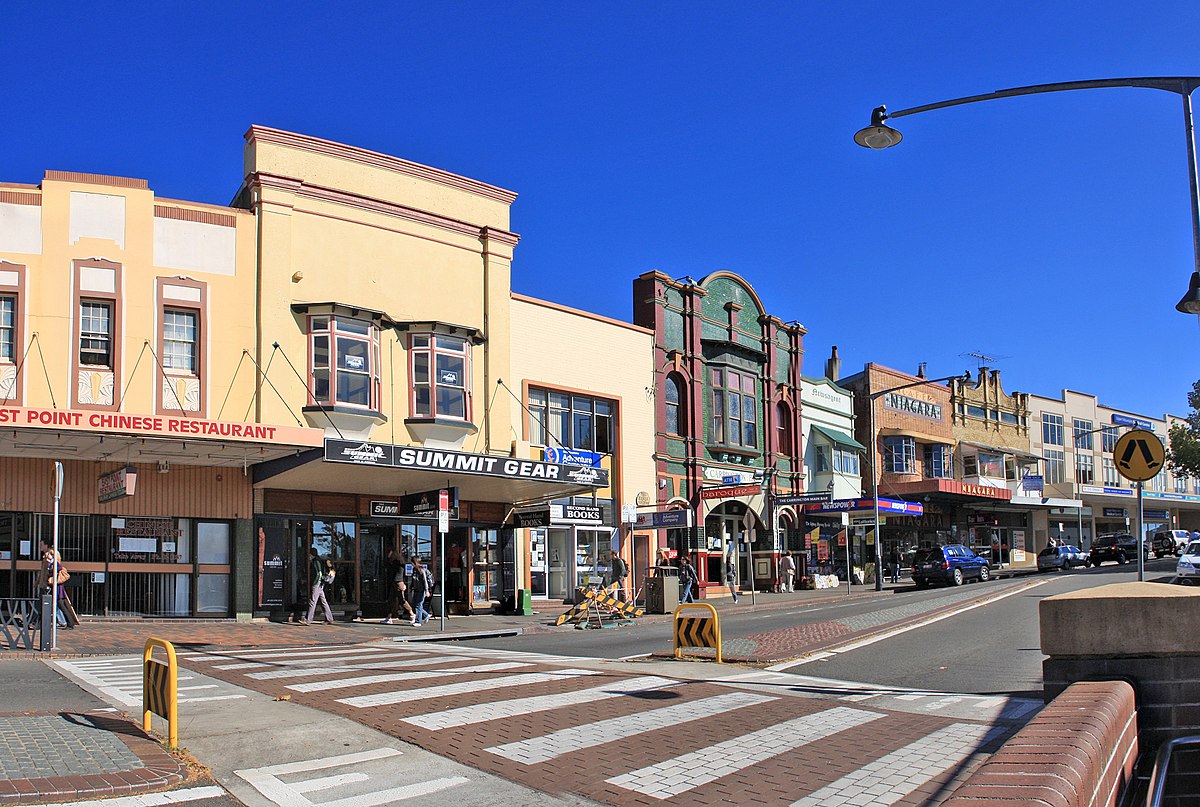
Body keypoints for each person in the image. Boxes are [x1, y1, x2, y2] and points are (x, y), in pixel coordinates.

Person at [40, 539, 80, 628]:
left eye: (49, 555)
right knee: (59, 605)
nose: (47, 557)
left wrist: (50, 573)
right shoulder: (51, 563)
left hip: (57, 587)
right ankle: (68, 622)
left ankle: (69, 623)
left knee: (61, 605)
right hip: (55, 587)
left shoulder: (54, 563)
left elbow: (58, 569)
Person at [302, 547, 335, 625]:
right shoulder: (319, 560)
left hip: (317, 583)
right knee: (323, 601)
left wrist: (315, 582)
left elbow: (318, 573)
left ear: (311, 554)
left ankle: (308, 620)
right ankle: (329, 618)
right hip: (321, 583)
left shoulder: (315, 561)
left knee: (312, 601)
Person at [383, 548, 414, 625]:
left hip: (398, 582)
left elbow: (387, 566)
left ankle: (412, 614)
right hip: (396, 582)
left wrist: (402, 583)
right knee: (391, 600)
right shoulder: (398, 562)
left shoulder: (397, 562)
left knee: (401, 600)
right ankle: (389, 617)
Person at [409, 557, 433, 626]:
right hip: (416, 589)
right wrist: (411, 587)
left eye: (412, 563)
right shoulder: (414, 570)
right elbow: (413, 580)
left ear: (415, 562)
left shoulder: (421, 570)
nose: (411, 564)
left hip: (421, 590)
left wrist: (427, 590)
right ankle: (426, 615)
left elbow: (425, 581)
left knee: (418, 605)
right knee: (414, 604)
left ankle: (418, 621)